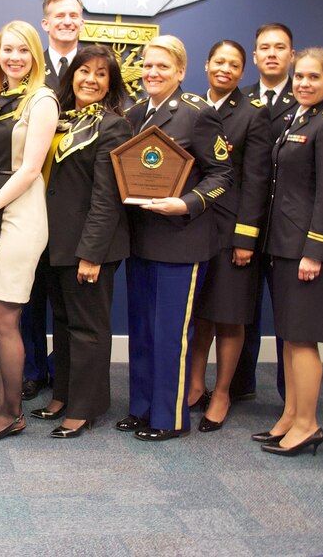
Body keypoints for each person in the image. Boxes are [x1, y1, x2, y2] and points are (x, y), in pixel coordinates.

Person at [121, 35, 232, 442]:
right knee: (142, 328)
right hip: (141, 240)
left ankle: (168, 417)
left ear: (181, 72)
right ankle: (141, 407)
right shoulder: (133, 114)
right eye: (148, 66)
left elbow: (223, 176)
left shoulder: (197, 114)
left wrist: (187, 203)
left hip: (181, 240)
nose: (153, 73)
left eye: (163, 67)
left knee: (170, 333)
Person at [32, 45, 131, 438]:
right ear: (71, 75)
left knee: (88, 328)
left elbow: (107, 198)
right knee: (64, 322)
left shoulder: (112, 126)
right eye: (84, 71)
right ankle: (63, 394)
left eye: (101, 74)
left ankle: (85, 408)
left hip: (91, 247)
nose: (90, 79)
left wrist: (90, 254)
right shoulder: (59, 119)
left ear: (111, 84)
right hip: (55, 243)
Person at [0, 20, 59, 442]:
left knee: (4, 317)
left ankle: (12, 412)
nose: (14, 57)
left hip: (21, 214)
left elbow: (29, 169)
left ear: (35, 55)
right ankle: (1, 406)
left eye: (23, 50)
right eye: (7, 50)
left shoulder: (42, 100)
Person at [256, 47, 323, 456]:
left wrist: (314, 251)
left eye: (314, 77)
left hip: (309, 252)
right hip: (284, 245)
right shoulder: (298, 118)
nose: (304, 84)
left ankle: (308, 424)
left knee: (304, 340)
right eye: (300, 77)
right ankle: (291, 416)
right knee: (290, 339)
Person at [187, 41, 272, 432]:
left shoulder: (254, 115)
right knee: (201, 312)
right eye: (219, 61)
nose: (225, 69)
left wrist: (246, 237)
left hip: (232, 228)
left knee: (230, 315)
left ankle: (222, 393)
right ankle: (194, 385)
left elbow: (256, 181)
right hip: (194, 226)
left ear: (242, 71)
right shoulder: (189, 106)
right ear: (206, 65)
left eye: (234, 65)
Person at [21, 0, 87, 401]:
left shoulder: (93, 67)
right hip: (31, 196)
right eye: (58, 15)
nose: (66, 20)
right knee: (29, 295)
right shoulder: (29, 66)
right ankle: (32, 369)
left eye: (74, 15)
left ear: (82, 21)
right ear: (45, 23)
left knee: (68, 300)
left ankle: (62, 370)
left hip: (75, 204)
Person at [231, 22, 298, 401]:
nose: (272, 53)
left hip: (287, 222)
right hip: (246, 219)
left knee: (289, 316)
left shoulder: (309, 96)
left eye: (280, 47)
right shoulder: (240, 99)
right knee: (244, 307)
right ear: (254, 57)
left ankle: (292, 396)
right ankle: (241, 385)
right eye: (264, 48)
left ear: (291, 54)